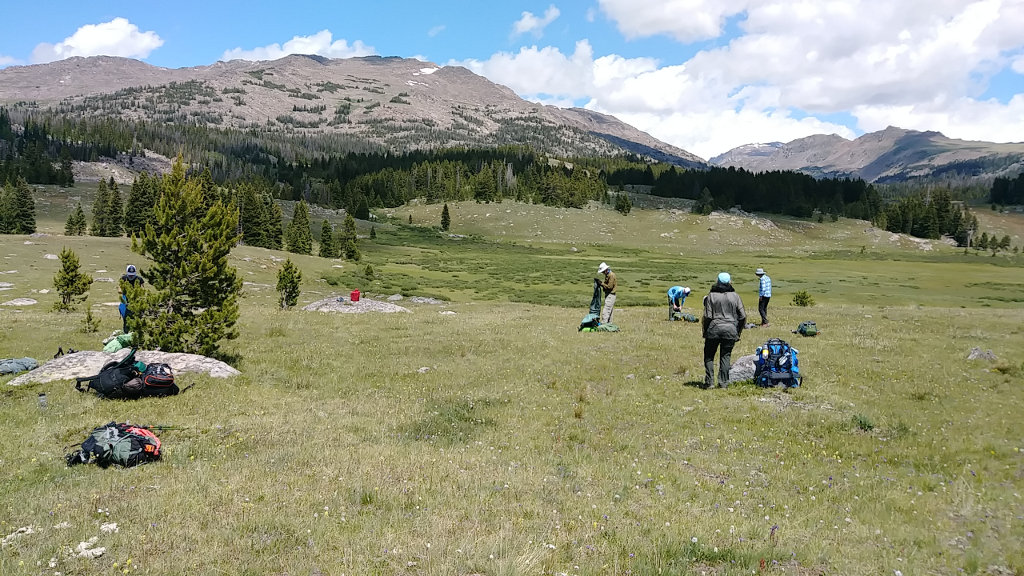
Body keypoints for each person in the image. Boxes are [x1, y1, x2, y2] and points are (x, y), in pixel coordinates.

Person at [702, 272, 746, 389]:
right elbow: (742, 316)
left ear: (718, 281)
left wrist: (705, 331)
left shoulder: (711, 295)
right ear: (730, 282)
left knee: (709, 356)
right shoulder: (735, 296)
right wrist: (738, 331)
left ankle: (710, 382)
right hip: (731, 330)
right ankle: (723, 383)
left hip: (714, 329)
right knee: (725, 356)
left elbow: (707, 316)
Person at [118, 264, 144, 333]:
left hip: (136, 300)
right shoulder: (123, 278)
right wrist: (128, 291)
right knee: (126, 319)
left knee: (137, 318)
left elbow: (142, 290)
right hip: (126, 300)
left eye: (132, 274)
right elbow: (119, 290)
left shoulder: (139, 279)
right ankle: (126, 332)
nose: (131, 276)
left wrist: (136, 293)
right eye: (130, 275)